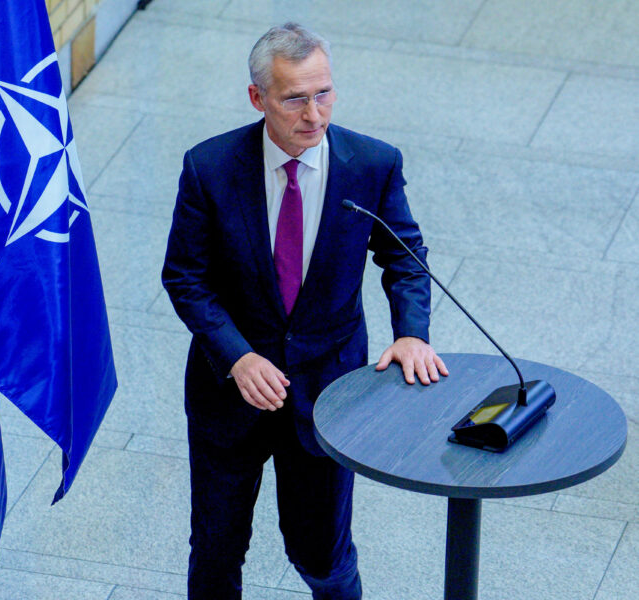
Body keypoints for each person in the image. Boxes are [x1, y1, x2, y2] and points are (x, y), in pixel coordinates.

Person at [162, 22, 448, 600]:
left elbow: (406, 257)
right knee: (216, 552)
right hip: (229, 396)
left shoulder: (372, 165)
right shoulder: (210, 168)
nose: (313, 114)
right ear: (258, 97)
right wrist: (237, 356)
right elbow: (184, 277)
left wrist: (411, 333)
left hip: (328, 394)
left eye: (324, 93)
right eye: (294, 97)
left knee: (321, 551)